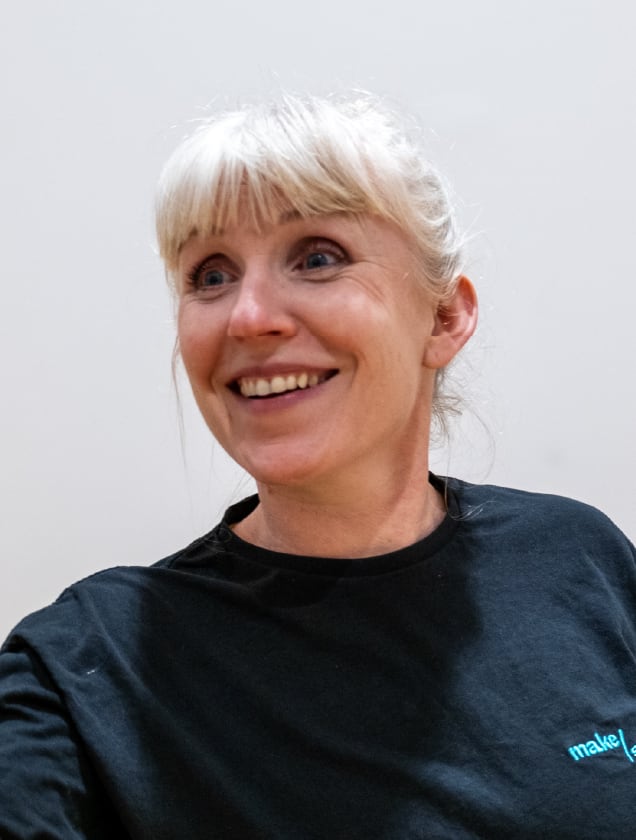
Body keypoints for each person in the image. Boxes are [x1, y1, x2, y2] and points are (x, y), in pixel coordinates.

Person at [1, 93, 634, 840]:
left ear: (444, 317)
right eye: (210, 275)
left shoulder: (578, 557)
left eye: (318, 257)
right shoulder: (82, 665)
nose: (247, 315)